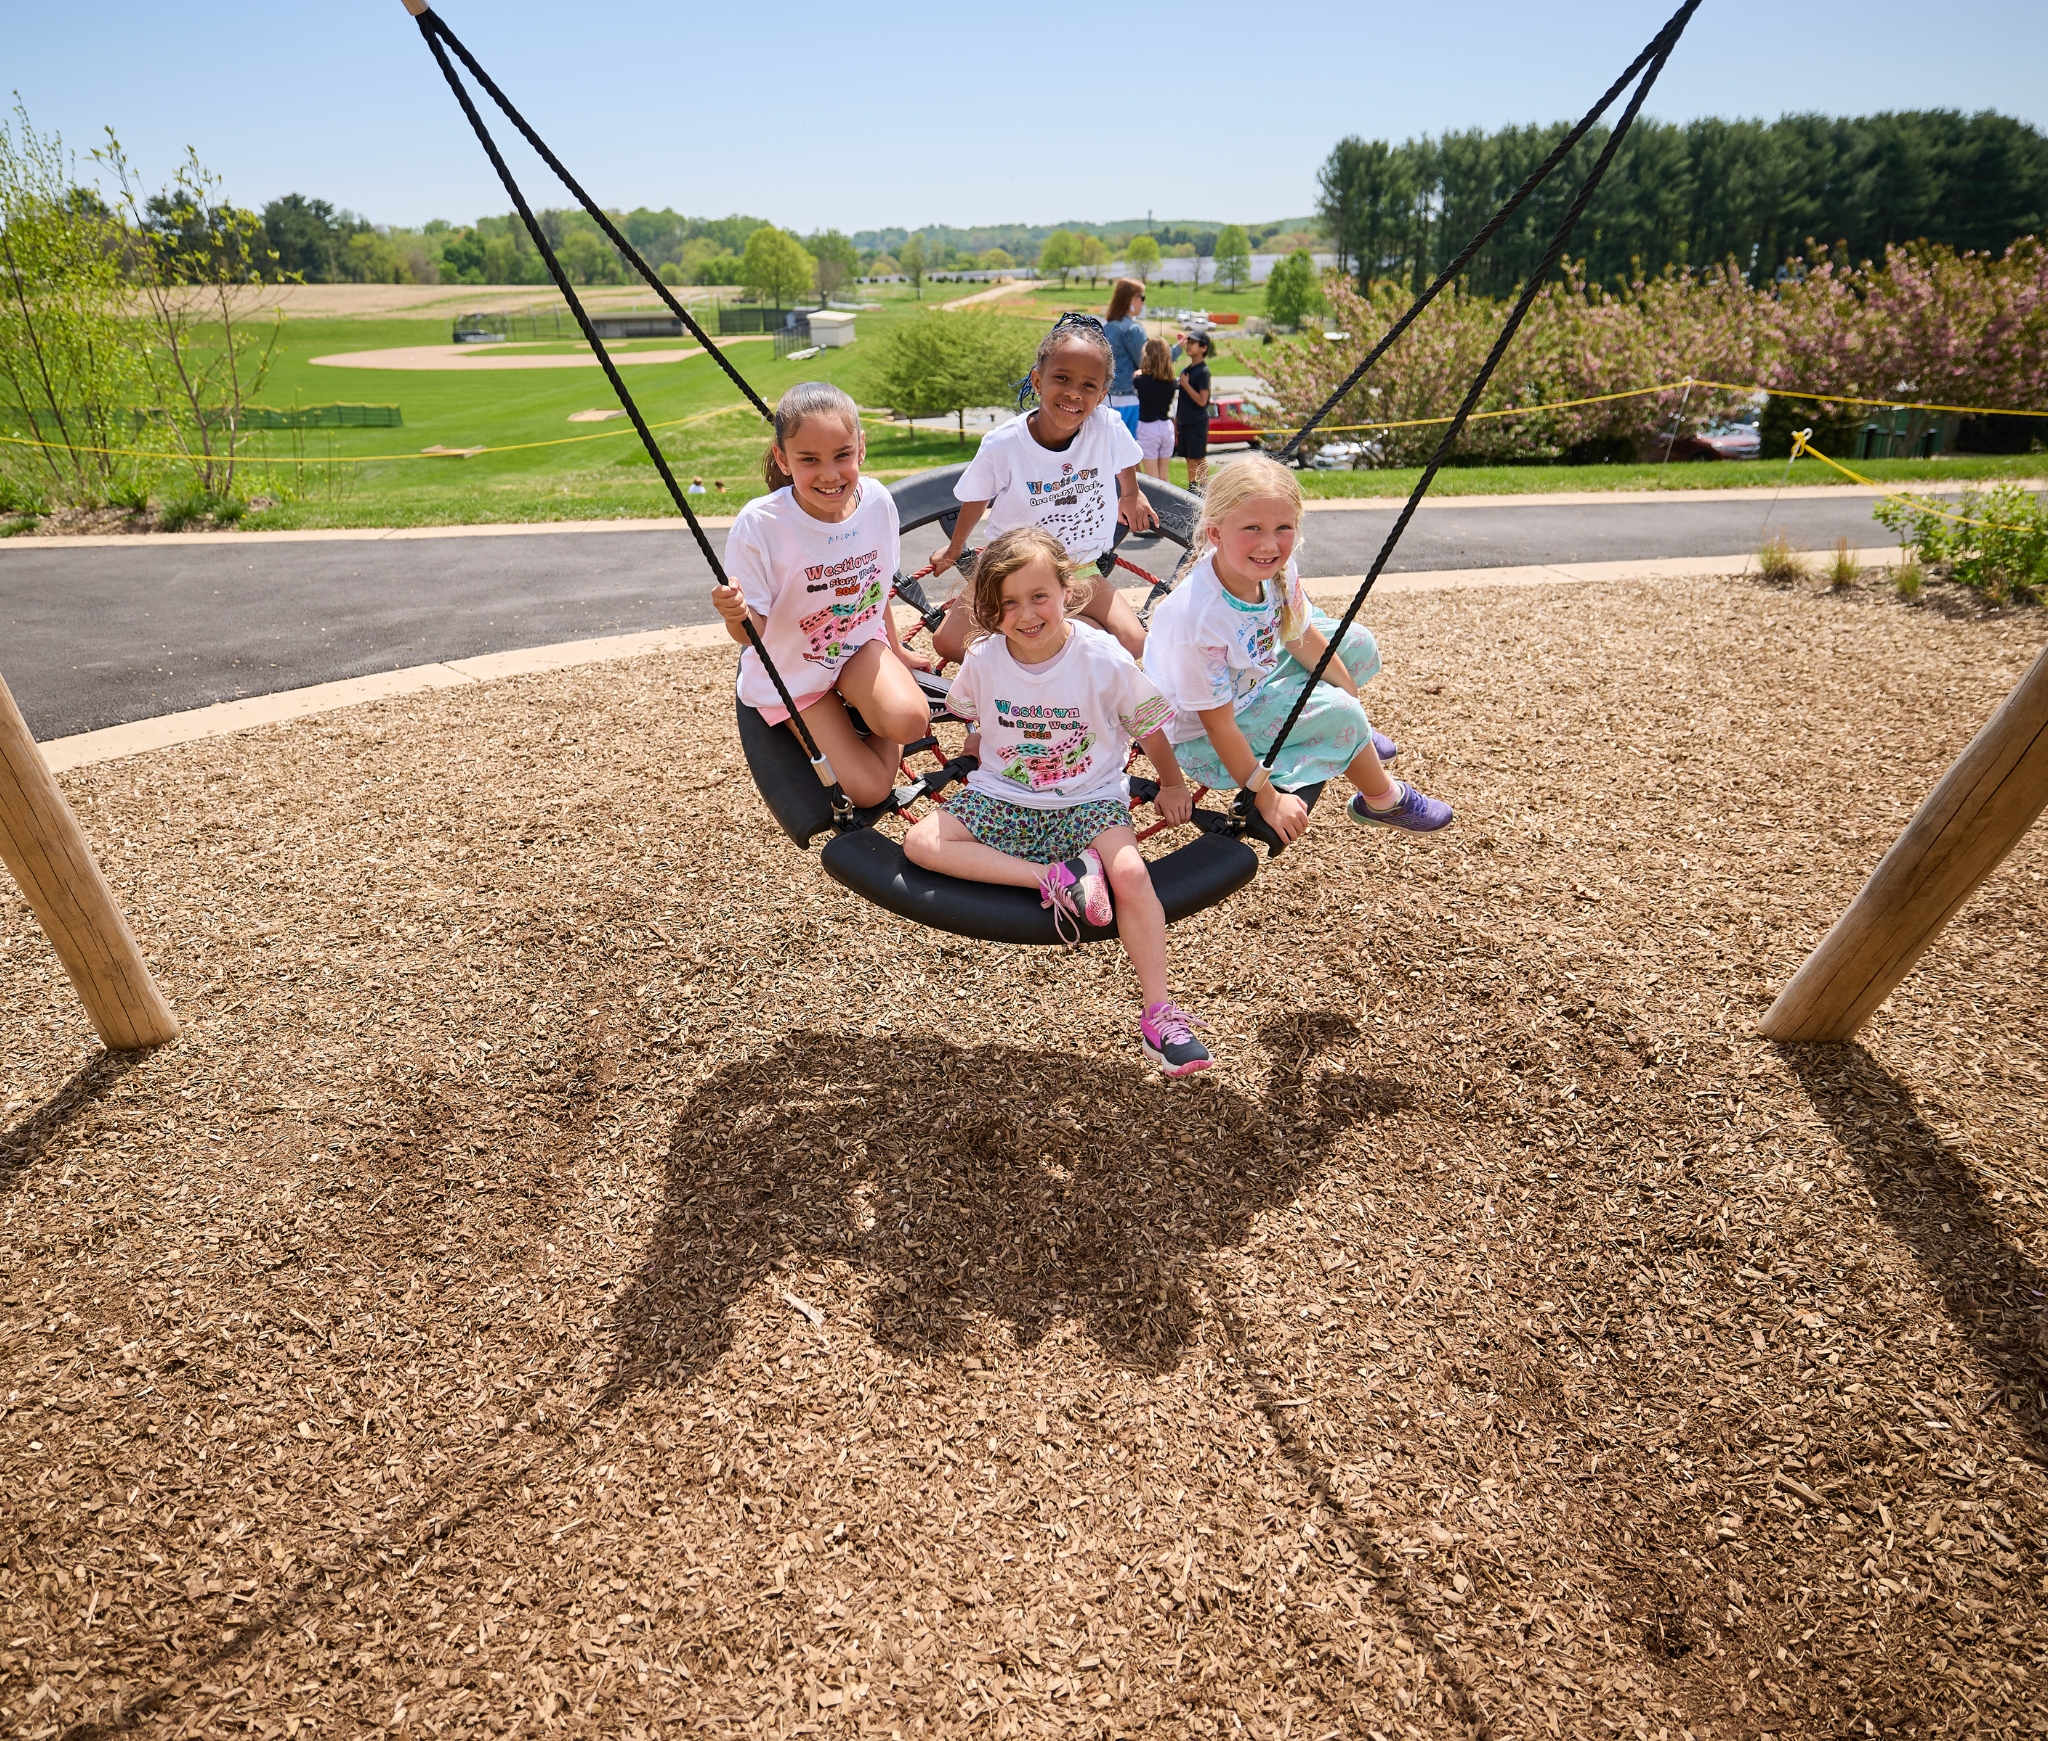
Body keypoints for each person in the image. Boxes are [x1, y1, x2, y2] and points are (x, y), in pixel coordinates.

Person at [903, 527, 1211, 1075]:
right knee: (922, 841)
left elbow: (1147, 724)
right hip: (1006, 792)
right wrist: (977, 743)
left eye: (1038, 596)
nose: (1025, 614)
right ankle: (1054, 876)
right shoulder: (984, 657)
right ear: (988, 610)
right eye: (1008, 604)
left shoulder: (1101, 657)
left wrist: (1171, 783)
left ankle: (1160, 1015)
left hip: (1088, 796)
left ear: (1067, 590)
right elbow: (972, 710)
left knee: (1132, 877)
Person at [1143, 453, 1453, 844]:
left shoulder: (1275, 569)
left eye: (1283, 527)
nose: (1269, 544)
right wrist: (1267, 799)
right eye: (1252, 528)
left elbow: (1298, 634)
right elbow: (1217, 726)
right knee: (1341, 715)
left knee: (1357, 645)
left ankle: (1345, 735)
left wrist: (1349, 694)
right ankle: (1381, 800)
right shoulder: (1197, 620)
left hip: (1248, 673)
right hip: (1201, 734)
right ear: (1216, 533)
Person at [712, 381, 929, 809]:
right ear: (783, 458)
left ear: (861, 448)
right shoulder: (761, 525)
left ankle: (863, 711)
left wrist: (897, 650)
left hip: (857, 647)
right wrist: (734, 613)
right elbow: (749, 635)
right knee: (870, 791)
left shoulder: (878, 502)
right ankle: (850, 719)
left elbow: (876, 589)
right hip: (796, 672)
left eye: (842, 455)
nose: (830, 474)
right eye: (809, 460)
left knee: (911, 721)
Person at [926, 313, 1157, 665]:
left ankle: (1057, 636)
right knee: (950, 642)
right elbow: (977, 495)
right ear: (1037, 380)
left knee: (1134, 642)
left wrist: (1130, 494)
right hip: (1011, 568)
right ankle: (1062, 636)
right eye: (1061, 378)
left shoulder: (1106, 427)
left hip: (1077, 568)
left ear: (1102, 394)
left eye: (1088, 386)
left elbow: (1124, 458)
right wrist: (955, 548)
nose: (1073, 393)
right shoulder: (1004, 444)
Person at [1103, 277, 1149, 436]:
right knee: (1131, 456)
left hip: (1105, 399)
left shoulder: (1107, 327)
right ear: (1131, 299)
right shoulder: (1133, 329)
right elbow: (1147, 363)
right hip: (1128, 399)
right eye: (1142, 297)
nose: (1143, 302)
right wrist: (1176, 350)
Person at [1133, 336, 1178, 482]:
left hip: (1148, 426)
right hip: (1166, 426)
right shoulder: (1171, 382)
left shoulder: (1140, 380)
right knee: (1164, 477)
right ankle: (1167, 505)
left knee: (1152, 477)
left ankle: (1155, 505)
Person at [1174, 330, 1213, 491]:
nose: (1188, 346)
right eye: (1188, 342)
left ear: (1203, 348)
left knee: (1198, 456)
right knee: (1188, 456)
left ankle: (1204, 486)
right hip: (1184, 419)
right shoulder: (1187, 370)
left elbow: (1202, 400)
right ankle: (1192, 485)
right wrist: (1177, 419)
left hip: (1197, 420)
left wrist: (1186, 385)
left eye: (1193, 343)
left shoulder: (1203, 371)